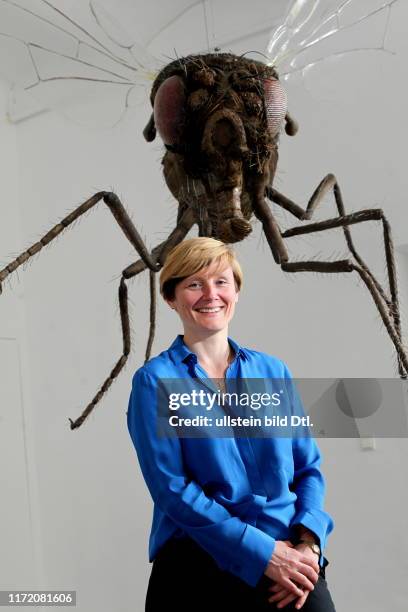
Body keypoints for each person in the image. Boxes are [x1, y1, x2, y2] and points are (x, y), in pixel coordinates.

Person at [127, 237, 336, 611]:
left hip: (290, 557)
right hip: (199, 566)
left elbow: (308, 468)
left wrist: (310, 543)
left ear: (236, 291)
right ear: (171, 298)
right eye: (194, 283)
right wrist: (262, 553)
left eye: (221, 281)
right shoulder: (153, 381)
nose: (211, 294)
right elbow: (172, 489)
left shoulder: (273, 371)